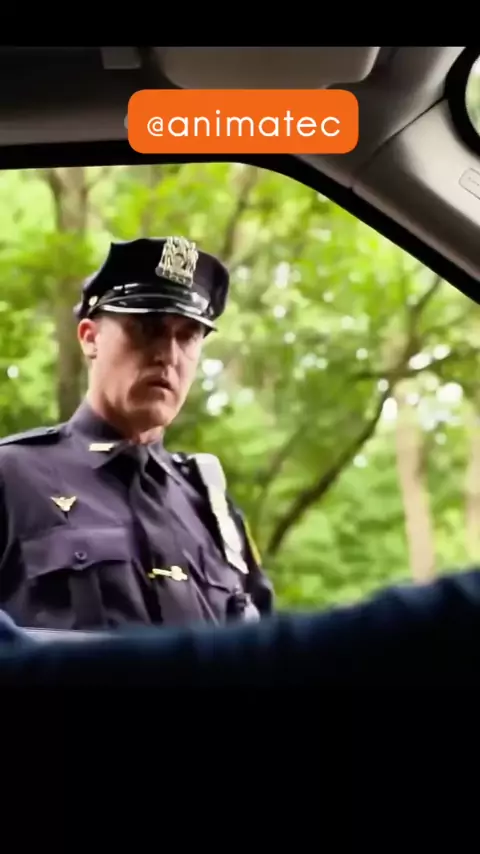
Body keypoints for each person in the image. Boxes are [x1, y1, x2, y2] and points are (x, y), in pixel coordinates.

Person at [0, 235, 274, 631]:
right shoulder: (12, 478)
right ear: (89, 337)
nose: (169, 355)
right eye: (147, 328)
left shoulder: (214, 510)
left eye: (188, 335)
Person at [1, 566, 480, 686]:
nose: (167, 357)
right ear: (90, 346)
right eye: (147, 344)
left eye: (186, 345)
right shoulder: (15, 471)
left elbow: (261, 626)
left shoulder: (208, 495)